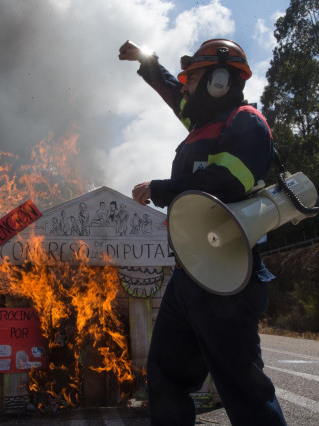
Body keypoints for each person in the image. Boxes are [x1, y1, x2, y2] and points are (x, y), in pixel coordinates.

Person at [119, 39, 286, 425]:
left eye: (192, 78)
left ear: (219, 80)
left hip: (227, 278)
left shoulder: (245, 122)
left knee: (244, 389)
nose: (186, 87)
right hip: (189, 275)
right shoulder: (201, 122)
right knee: (164, 375)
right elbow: (168, 88)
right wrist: (144, 58)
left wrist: (161, 188)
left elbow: (230, 180)